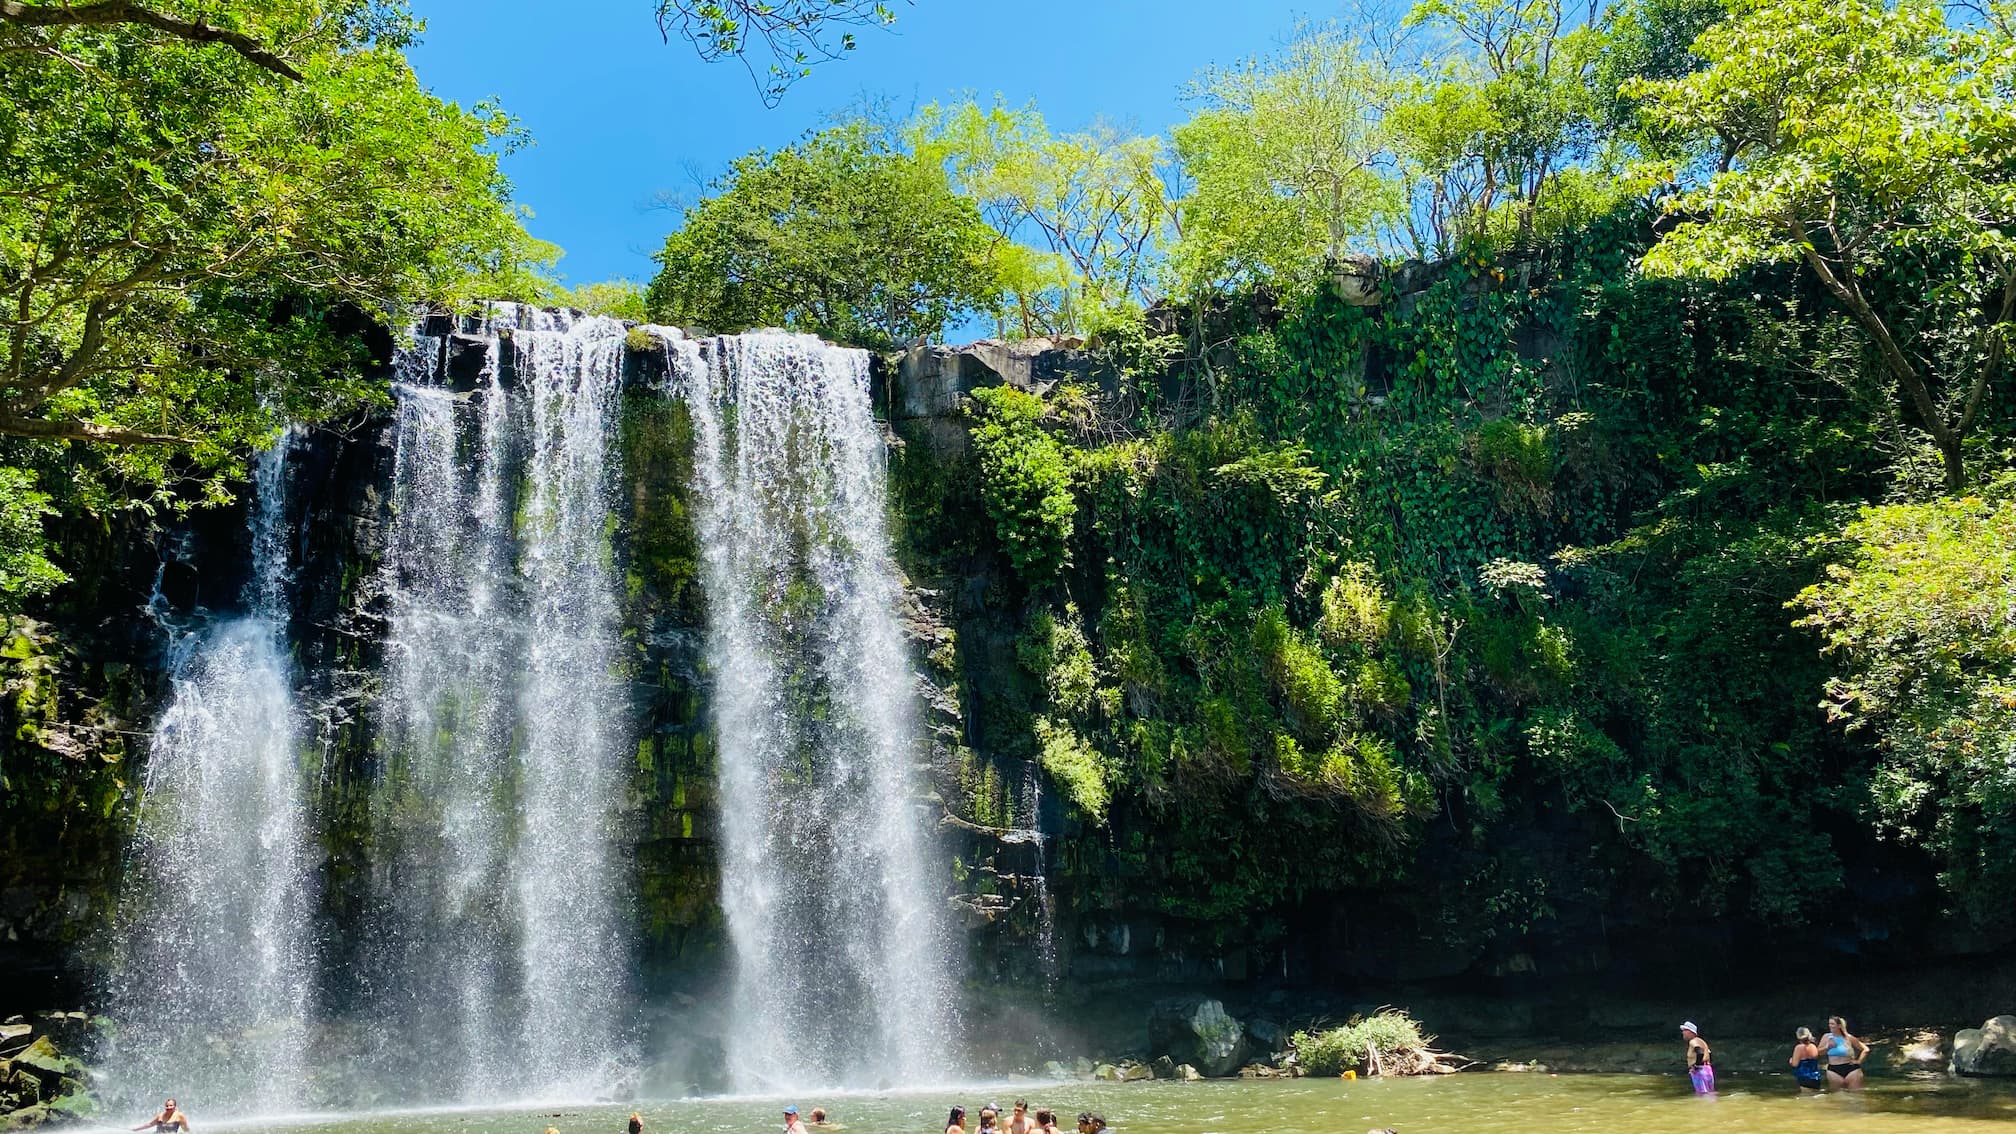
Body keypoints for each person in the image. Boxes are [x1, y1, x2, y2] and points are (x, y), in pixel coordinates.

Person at [1823, 1016, 1871, 1089]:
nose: (1830, 1026)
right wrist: (1827, 1047)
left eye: (1832, 1024)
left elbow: (1865, 1049)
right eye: (1829, 1024)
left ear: (1839, 1026)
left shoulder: (1848, 1037)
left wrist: (1859, 1061)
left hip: (1851, 1068)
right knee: (1837, 1096)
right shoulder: (1826, 1037)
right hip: (1833, 1069)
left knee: (1855, 1095)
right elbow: (1818, 1052)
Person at [1680, 1022, 1715, 1094]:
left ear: (1691, 1032)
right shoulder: (1702, 1041)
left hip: (1699, 1071)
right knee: (1710, 1093)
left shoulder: (1693, 1041)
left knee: (1702, 1094)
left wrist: (1695, 1067)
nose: (1683, 1032)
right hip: (1707, 1069)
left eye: (1684, 1030)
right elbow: (1709, 1054)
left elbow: (1699, 1051)